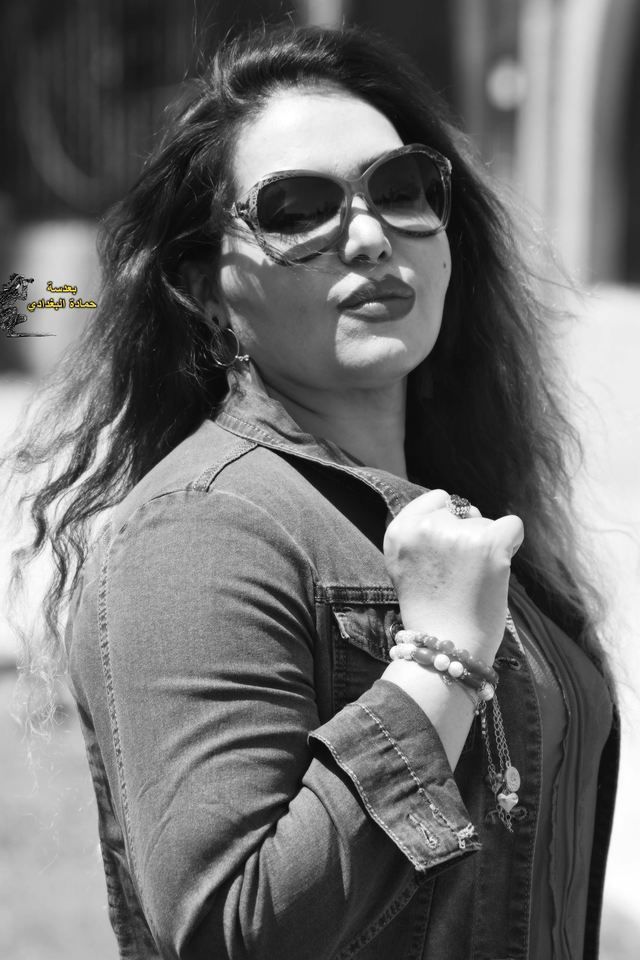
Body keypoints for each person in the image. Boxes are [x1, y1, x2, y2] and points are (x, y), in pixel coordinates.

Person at [7, 23, 618, 960]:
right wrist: (441, 661)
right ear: (205, 289)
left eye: (402, 188)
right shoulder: (203, 530)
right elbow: (233, 928)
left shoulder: (455, 508)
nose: (370, 237)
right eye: (297, 209)